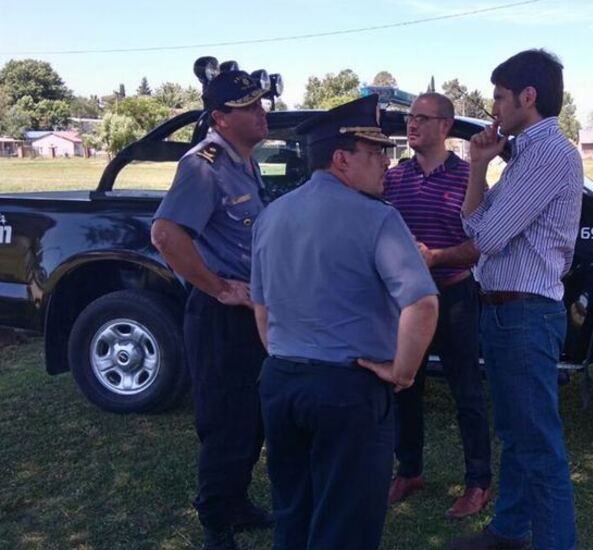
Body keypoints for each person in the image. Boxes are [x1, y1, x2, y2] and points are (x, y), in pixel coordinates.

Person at [251, 94, 439, 550]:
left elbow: (262, 308)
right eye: (375, 154)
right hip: (349, 390)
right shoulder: (378, 218)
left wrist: (286, 353)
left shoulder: (270, 216)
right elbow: (422, 304)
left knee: (293, 511)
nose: (385, 165)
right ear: (341, 160)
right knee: (346, 526)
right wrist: (403, 372)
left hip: (282, 383)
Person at [451, 49, 583, 550]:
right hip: (507, 311)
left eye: (500, 98)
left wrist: (481, 188)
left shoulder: (549, 153)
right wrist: (478, 167)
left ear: (529, 97)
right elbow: (475, 224)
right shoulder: (524, 153)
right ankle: (508, 531)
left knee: (539, 448)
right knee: (516, 433)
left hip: (525, 315)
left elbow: (487, 236)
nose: (494, 108)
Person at [151, 70, 273, 550]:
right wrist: (218, 287)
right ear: (221, 118)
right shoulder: (203, 164)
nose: (262, 112)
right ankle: (216, 525)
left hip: (249, 315)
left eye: (261, 103)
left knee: (252, 418)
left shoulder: (243, 162)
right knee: (226, 421)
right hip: (221, 317)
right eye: (250, 107)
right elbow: (166, 235)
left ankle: (235, 502)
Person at [383, 93, 492, 518]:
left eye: (422, 119)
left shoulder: (469, 178)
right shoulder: (394, 179)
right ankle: (408, 470)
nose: (412, 126)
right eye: (410, 119)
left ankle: (478, 482)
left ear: (445, 127)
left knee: (467, 392)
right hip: (407, 300)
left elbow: (479, 245)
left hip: (454, 297)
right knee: (404, 386)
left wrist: (436, 257)